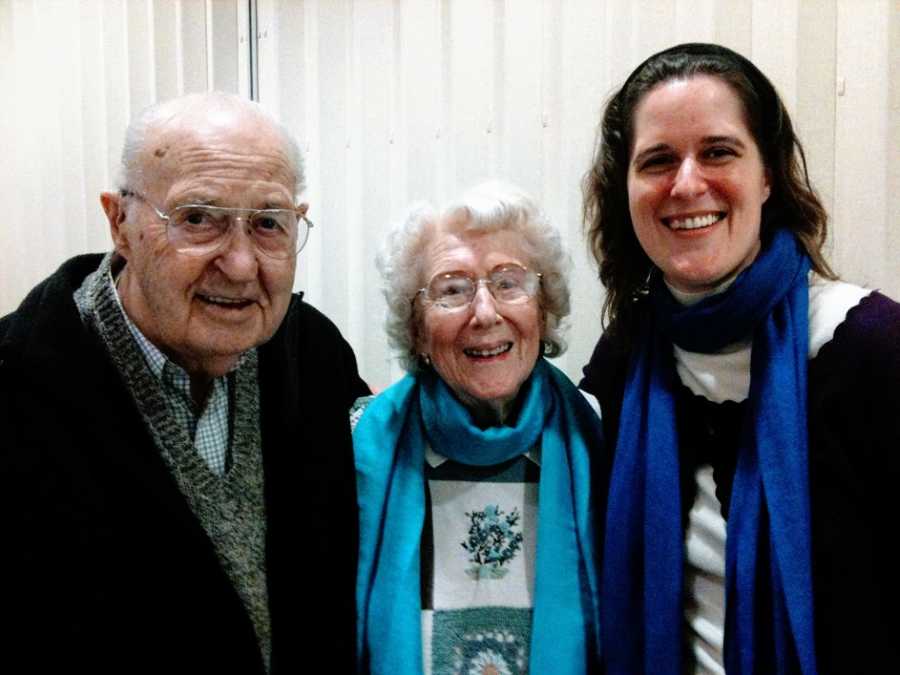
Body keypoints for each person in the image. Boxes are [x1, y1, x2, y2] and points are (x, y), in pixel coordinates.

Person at [0, 92, 369, 674]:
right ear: (120, 223)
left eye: (269, 224)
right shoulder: (15, 387)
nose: (242, 264)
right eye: (198, 219)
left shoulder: (316, 360)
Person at [580, 42, 900, 674]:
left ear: (767, 175)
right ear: (626, 189)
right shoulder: (623, 358)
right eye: (658, 160)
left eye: (719, 152)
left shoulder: (871, 349)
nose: (687, 183)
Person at [352, 181, 604, 674]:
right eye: (452, 290)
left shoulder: (600, 435)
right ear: (418, 330)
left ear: (544, 309)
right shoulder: (356, 446)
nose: (485, 313)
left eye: (509, 283)